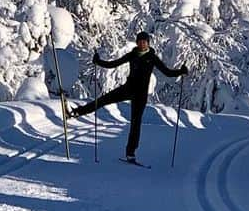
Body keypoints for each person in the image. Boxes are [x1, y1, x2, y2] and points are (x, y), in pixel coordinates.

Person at [68, 31, 187, 163]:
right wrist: (98, 62)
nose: (142, 44)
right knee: (103, 100)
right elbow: (113, 64)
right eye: (140, 41)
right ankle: (78, 112)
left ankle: (130, 153)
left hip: (140, 95)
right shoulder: (132, 55)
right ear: (137, 43)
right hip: (128, 88)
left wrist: (180, 71)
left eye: (144, 41)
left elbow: (167, 72)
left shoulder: (152, 57)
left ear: (148, 43)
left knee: (135, 124)